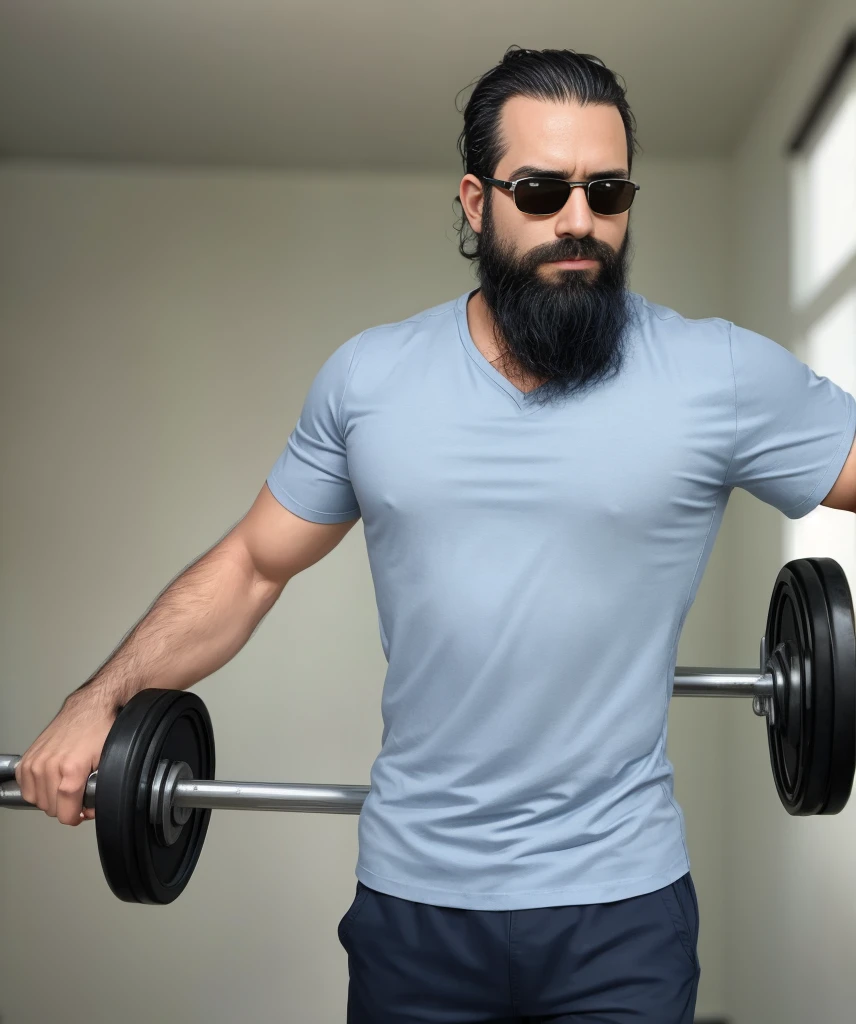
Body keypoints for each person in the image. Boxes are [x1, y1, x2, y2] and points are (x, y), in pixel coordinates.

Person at [15, 46, 856, 1023]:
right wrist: (100, 697)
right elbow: (249, 566)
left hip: (622, 910)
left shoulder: (714, 376)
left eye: (607, 190)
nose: (578, 220)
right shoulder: (371, 381)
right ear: (474, 200)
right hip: (416, 909)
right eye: (540, 190)